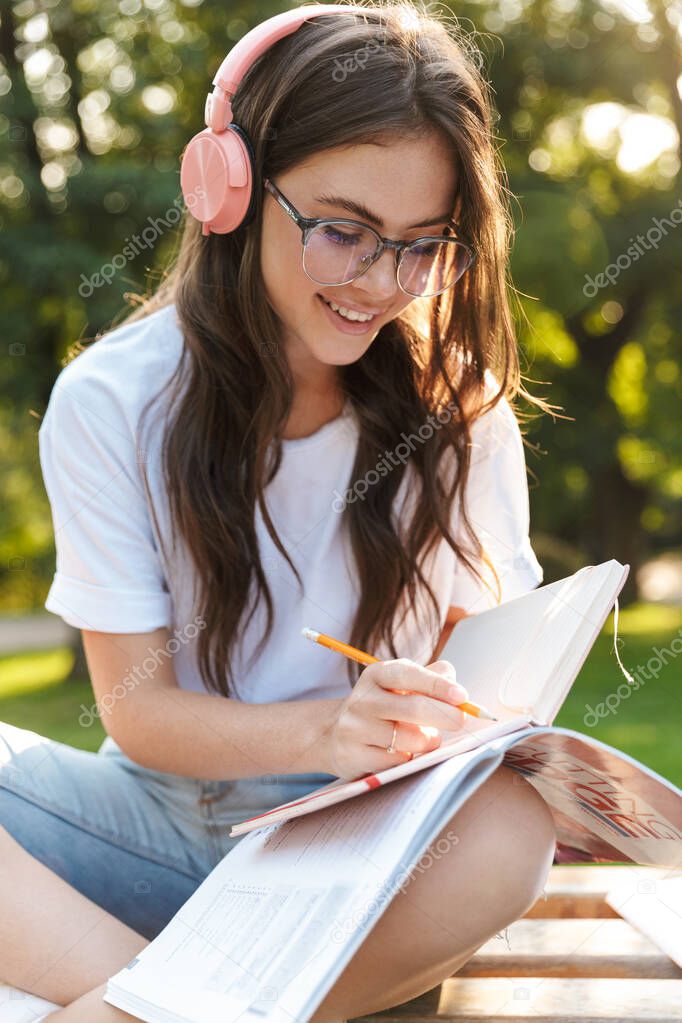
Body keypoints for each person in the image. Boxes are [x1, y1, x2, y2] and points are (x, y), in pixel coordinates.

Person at [0, 3, 557, 1020]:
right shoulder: (112, 401)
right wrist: (324, 728)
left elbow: (489, 691)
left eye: (420, 246)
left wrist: (459, 727)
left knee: (513, 829)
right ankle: (172, 1003)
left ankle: (154, 1004)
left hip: (363, 861)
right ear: (229, 189)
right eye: (342, 232)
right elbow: (139, 713)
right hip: (154, 829)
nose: (379, 283)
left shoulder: (463, 415)